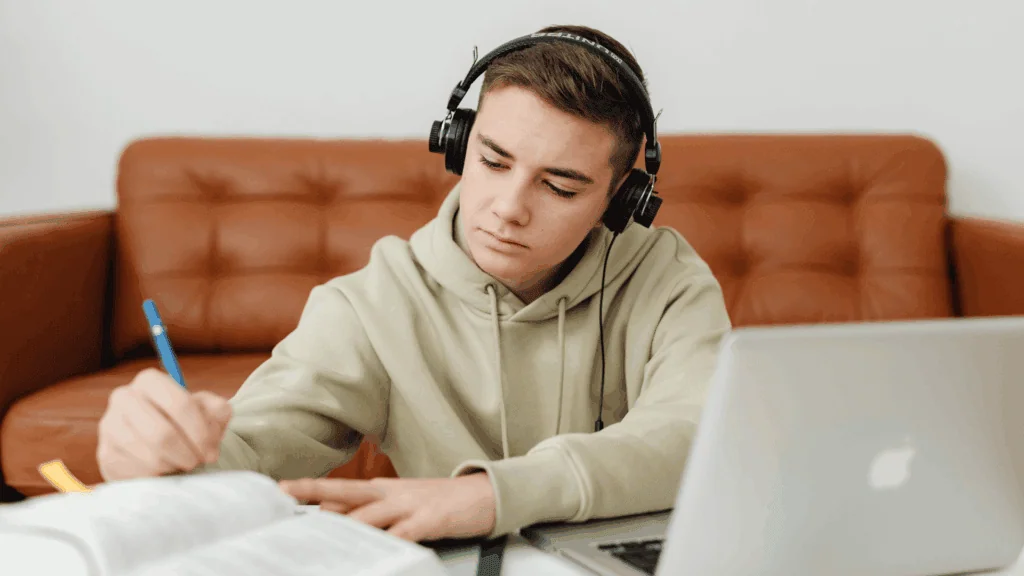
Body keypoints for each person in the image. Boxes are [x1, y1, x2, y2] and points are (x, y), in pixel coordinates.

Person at [95, 24, 733, 543]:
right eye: (491, 160)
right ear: (456, 144)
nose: (508, 208)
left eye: (560, 186)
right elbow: (251, 448)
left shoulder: (669, 280)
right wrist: (160, 455)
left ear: (623, 198)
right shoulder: (373, 302)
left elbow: (697, 434)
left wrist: (488, 496)